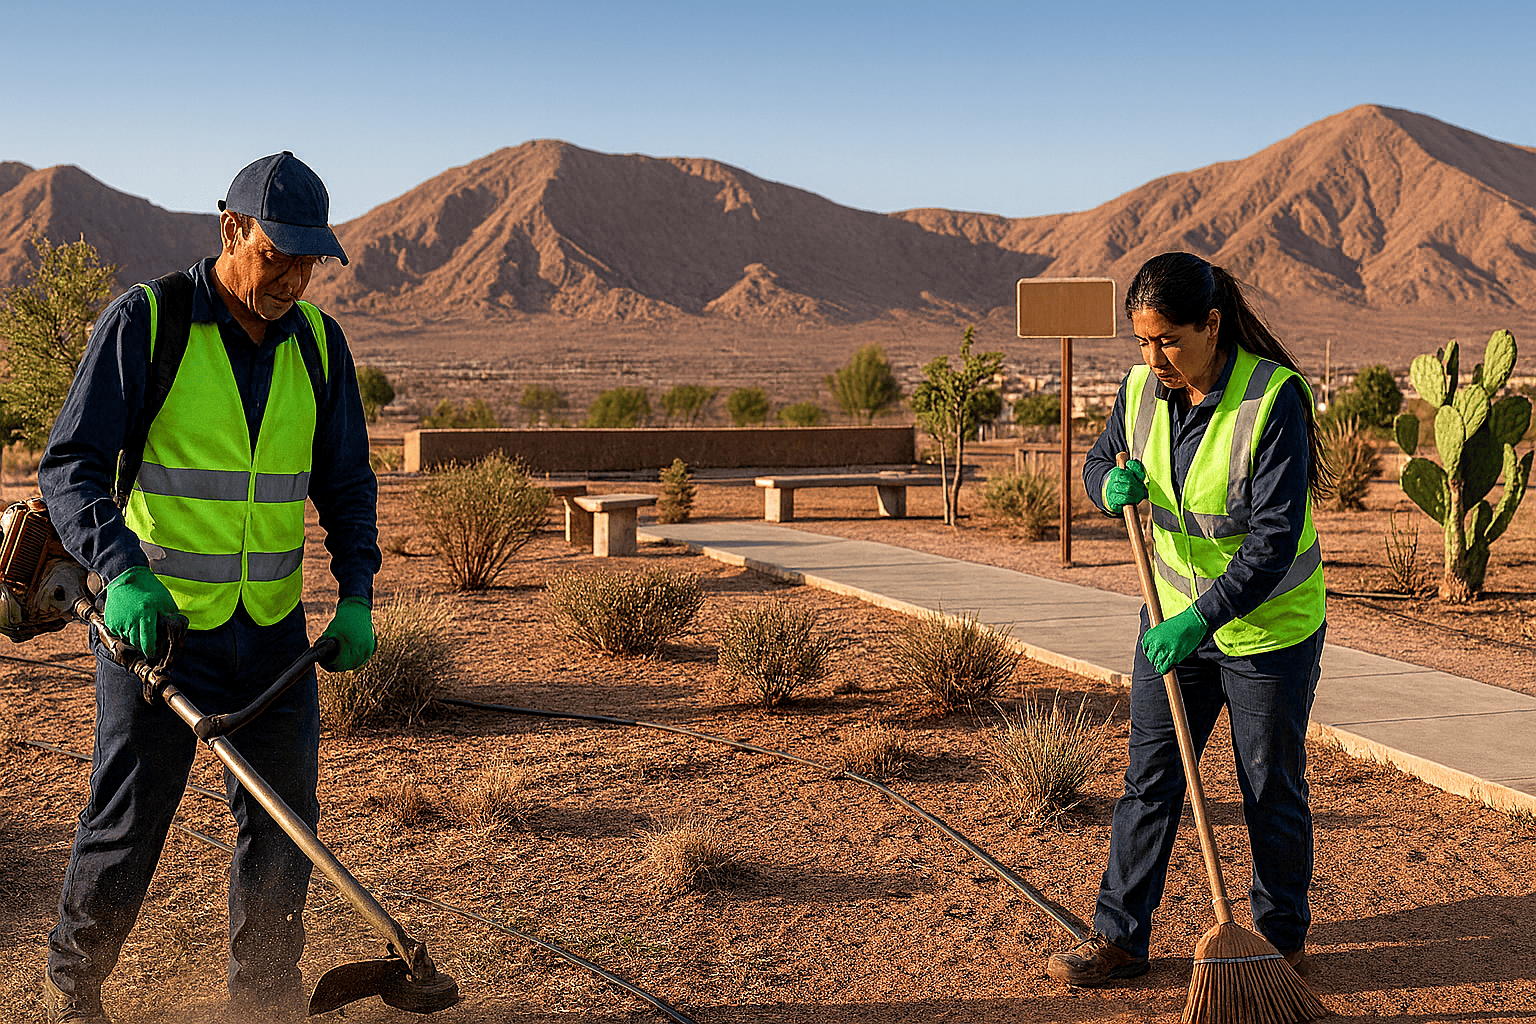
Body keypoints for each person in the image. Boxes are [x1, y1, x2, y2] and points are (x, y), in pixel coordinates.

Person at [38, 152, 380, 1023]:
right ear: (231, 229)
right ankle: (76, 991)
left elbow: (346, 483)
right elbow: (70, 467)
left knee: (283, 826)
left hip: (270, 636)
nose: (295, 279)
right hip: (156, 634)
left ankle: (262, 998)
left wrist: (357, 594)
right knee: (128, 822)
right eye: (278, 256)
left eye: (310, 262)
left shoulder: (318, 346)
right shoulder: (147, 323)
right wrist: (121, 572)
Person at [1047, 251, 1329, 987]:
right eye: (1141, 341)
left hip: (1267, 631)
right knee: (1151, 779)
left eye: (1167, 339)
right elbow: (1099, 459)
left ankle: (1278, 943)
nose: (1153, 357)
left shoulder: (1273, 400)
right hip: (1171, 617)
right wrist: (1105, 484)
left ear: (1211, 324)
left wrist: (1198, 621)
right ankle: (1119, 938)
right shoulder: (1141, 388)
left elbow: (1272, 539)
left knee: (1269, 784)